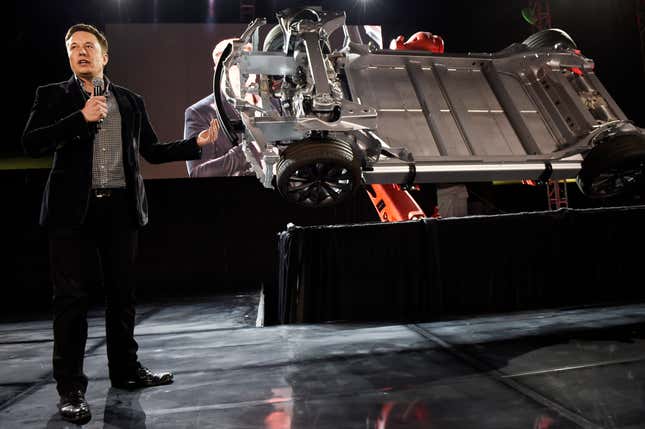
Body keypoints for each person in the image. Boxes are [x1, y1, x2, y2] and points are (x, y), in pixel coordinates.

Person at [21, 24, 219, 425]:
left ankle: (126, 373)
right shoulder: (53, 96)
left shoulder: (130, 101)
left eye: (88, 46)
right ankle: (71, 389)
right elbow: (31, 143)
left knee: (122, 297)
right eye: (73, 47)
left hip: (120, 211)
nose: (80, 52)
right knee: (71, 302)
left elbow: (151, 150)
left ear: (104, 56)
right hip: (70, 214)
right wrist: (79, 118)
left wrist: (193, 146)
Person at [184, 38, 262, 177]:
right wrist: (252, 147)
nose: (246, 72)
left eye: (251, 64)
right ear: (219, 70)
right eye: (237, 64)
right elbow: (199, 173)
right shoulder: (201, 113)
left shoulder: (276, 103)